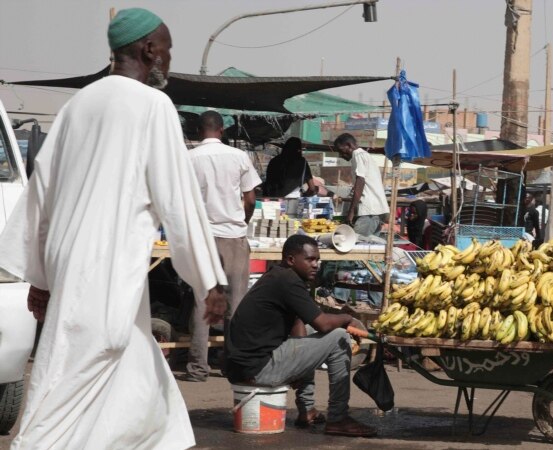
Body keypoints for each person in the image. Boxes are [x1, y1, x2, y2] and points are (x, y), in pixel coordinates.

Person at [0, 9, 228, 449]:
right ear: (148, 50)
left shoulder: (77, 104)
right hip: (104, 269)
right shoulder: (152, 105)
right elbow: (178, 198)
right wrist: (209, 280)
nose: (168, 57)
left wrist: (41, 277)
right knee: (70, 382)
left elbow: (41, 194)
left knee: (143, 387)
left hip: (78, 266)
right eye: (167, 48)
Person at [225, 235, 377, 437]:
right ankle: (338, 418)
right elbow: (323, 323)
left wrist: (299, 369)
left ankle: (307, 410)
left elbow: (299, 327)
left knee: (309, 336)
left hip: (246, 366)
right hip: (257, 368)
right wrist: (346, 317)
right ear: (290, 260)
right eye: (310, 259)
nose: (316, 265)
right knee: (338, 336)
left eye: (317, 260)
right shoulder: (287, 281)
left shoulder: (278, 276)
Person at [184, 110, 262, 382]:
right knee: (235, 304)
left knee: (201, 301)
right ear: (221, 130)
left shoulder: (188, 158)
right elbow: (250, 198)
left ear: (198, 131)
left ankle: (197, 368)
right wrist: (243, 222)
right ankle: (232, 364)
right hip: (233, 237)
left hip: (202, 237)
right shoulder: (239, 157)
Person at [333, 133, 390, 236]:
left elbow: (361, 181)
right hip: (376, 210)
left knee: (358, 243)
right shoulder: (364, 155)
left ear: (349, 145)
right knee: (369, 246)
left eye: (341, 151)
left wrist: (351, 212)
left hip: (369, 211)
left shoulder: (358, 155)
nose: (341, 155)